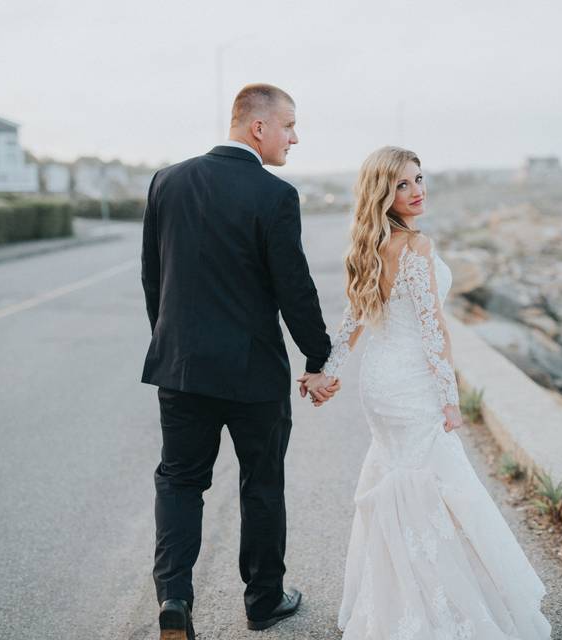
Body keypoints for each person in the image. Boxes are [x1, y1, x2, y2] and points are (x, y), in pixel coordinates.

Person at [319, 146, 552, 639]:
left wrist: (326, 372)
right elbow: (433, 330)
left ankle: (399, 600)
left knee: (405, 485)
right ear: (383, 192)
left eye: (419, 179)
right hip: (412, 388)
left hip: (380, 386)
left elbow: (352, 322)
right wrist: (450, 397)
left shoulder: (368, 245)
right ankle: (438, 609)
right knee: (441, 489)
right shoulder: (416, 246)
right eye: (403, 184)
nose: (417, 190)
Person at [140, 83, 340, 640]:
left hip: (180, 369)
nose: (294, 137)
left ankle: (174, 599)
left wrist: (171, 342)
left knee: (179, 482)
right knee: (261, 483)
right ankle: (263, 600)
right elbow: (293, 288)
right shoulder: (275, 195)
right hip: (253, 375)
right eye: (289, 126)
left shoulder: (167, 181)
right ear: (258, 128)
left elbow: (154, 278)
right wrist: (319, 356)